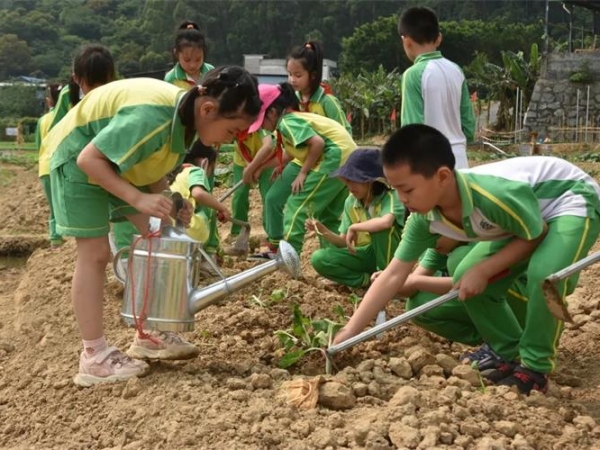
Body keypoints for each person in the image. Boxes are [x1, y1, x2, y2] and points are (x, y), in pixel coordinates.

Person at [333, 124, 600, 395]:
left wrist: (485, 270)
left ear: (443, 177)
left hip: (568, 198)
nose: (402, 199)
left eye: (408, 190)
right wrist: (349, 331)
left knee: (545, 275)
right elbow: (393, 275)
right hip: (524, 221)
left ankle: (536, 367)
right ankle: (509, 352)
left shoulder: (492, 195)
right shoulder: (423, 218)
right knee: (464, 275)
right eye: (395, 189)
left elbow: (536, 234)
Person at [42, 66, 260, 387]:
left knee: (157, 236)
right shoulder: (153, 117)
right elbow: (90, 159)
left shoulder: (183, 122)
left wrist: (171, 201)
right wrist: (137, 199)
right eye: (232, 131)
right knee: (96, 254)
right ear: (209, 109)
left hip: (112, 164)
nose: (230, 141)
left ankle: (148, 334)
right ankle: (94, 356)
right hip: (76, 156)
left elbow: (149, 166)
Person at [247, 83, 356, 259]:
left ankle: (290, 258)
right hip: (347, 158)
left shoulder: (287, 122)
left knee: (297, 206)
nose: (262, 127)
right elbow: (293, 151)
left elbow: (317, 143)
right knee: (328, 217)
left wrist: (303, 173)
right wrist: (266, 167)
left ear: (273, 112)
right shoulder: (293, 121)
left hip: (334, 158)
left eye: (262, 121)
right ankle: (337, 261)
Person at [37, 45, 118, 248]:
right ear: (76, 79)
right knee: (90, 242)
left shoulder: (114, 95)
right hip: (71, 162)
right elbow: (57, 131)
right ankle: (57, 243)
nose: (97, 91)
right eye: (91, 84)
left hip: (98, 160)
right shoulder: (68, 95)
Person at [308, 148, 405, 288]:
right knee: (319, 258)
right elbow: (343, 241)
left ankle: (389, 281)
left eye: (355, 181)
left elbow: (385, 222)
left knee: (380, 231)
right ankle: (364, 281)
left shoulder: (391, 197)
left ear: (371, 181)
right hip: (366, 255)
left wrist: (355, 227)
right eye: (347, 181)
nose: (350, 187)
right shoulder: (350, 202)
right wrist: (322, 230)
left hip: (393, 258)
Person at [398, 6, 475, 169]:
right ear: (439, 38)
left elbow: (412, 131)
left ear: (406, 41)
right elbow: (468, 126)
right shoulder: (456, 70)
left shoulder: (413, 75)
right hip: (461, 161)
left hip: (430, 163)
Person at [170, 141, 229, 273]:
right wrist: (222, 208)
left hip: (167, 231)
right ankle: (207, 256)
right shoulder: (196, 171)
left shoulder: (173, 173)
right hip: (185, 230)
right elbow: (198, 193)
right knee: (209, 206)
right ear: (205, 163)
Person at [287, 41, 352, 135]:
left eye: (298, 75)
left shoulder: (327, 101)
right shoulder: (293, 100)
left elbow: (344, 132)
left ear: (313, 75)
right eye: (290, 74)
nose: (292, 80)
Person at [227, 128, 275, 246]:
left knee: (268, 196)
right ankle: (237, 232)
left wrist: (258, 168)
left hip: (267, 161)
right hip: (243, 162)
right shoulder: (236, 124)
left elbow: (269, 147)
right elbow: (239, 144)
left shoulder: (263, 127)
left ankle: (272, 234)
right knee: (240, 194)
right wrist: (249, 167)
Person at [35, 83, 63, 247]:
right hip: (62, 166)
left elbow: (39, 146)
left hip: (45, 166)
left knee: (53, 207)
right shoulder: (69, 116)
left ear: (49, 101)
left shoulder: (42, 120)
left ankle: (55, 240)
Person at [164, 20, 215, 89]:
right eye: (187, 60)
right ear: (176, 53)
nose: (192, 65)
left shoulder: (211, 72)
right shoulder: (171, 79)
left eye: (198, 59)